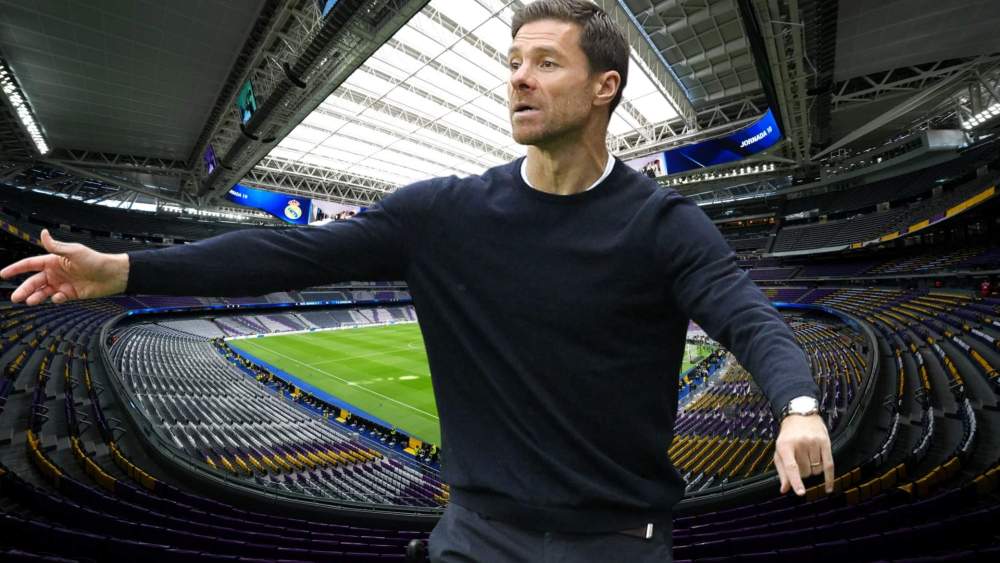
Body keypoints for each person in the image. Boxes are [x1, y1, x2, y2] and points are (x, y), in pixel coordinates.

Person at [1, 1, 833, 560]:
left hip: (618, 540)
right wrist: (127, 268)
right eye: (514, 61)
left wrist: (798, 405)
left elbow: (748, 317)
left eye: (546, 62)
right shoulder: (442, 213)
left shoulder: (664, 223)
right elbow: (289, 257)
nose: (518, 77)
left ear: (605, 87)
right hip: (475, 534)